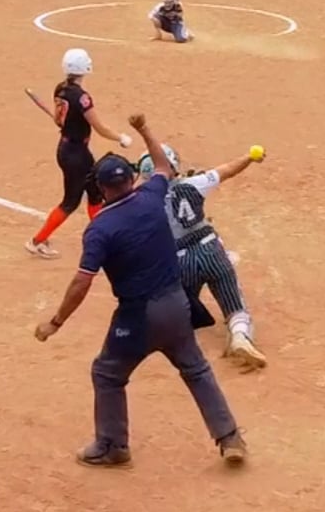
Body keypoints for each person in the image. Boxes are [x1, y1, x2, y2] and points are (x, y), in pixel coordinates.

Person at [33, 118, 249, 469]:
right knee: (196, 370)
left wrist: (55, 322)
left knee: (107, 374)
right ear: (132, 179)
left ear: (101, 188)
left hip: (137, 318)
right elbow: (163, 165)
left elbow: (82, 282)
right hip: (177, 305)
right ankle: (230, 438)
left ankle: (112, 445)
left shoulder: (100, 229)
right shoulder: (152, 196)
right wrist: (145, 130)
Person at [131, 117, 268, 369]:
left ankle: (176, 329)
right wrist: (249, 157)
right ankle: (239, 335)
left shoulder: (142, 203)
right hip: (210, 249)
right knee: (235, 304)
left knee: (180, 306)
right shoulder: (193, 184)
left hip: (179, 263)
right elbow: (227, 170)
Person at [26, 48, 133, 259]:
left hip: (69, 150)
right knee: (71, 202)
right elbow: (99, 127)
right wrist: (120, 137)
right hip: (76, 155)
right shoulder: (82, 98)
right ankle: (36, 241)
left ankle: (104, 239)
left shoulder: (61, 89)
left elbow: (59, 120)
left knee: (95, 194)